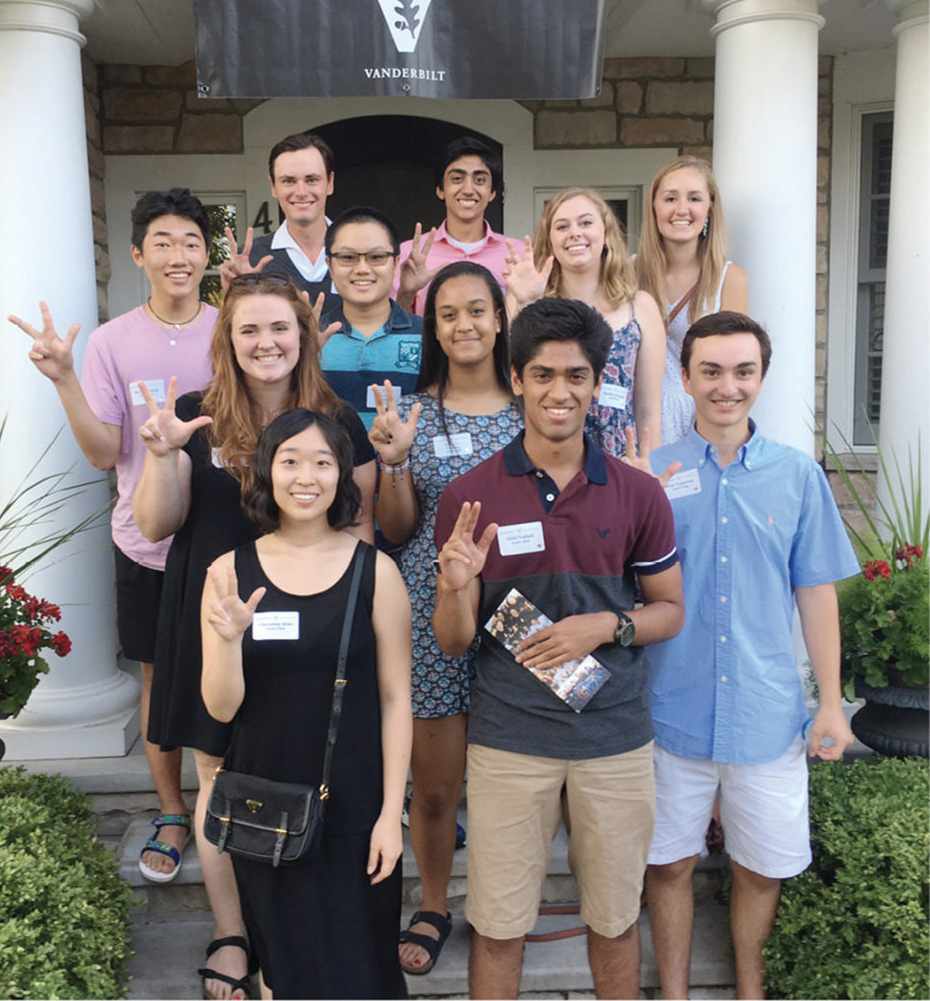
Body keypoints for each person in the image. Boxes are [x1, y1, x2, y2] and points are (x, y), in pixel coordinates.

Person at [132, 274, 376, 1000]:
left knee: (295, 772)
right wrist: (162, 455)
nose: (265, 342)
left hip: (307, 628)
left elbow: (359, 532)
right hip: (211, 618)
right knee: (216, 777)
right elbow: (155, 525)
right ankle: (232, 932)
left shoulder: (339, 419)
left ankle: (294, 929)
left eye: (279, 328)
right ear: (228, 340)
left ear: (303, 335)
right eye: (249, 330)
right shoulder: (190, 415)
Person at [432, 298, 684, 999]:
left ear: (597, 382)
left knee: (613, 920)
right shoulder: (469, 497)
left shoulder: (638, 493)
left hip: (615, 739)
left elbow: (670, 610)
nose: (559, 392)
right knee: (499, 925)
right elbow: (453, 641)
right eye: (542, 374)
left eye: (576, 376)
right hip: (511, 740)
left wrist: (606, 627)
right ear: (517, 379)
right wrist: (456, 588)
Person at [641, 312, 859, 1000]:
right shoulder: (653, 473)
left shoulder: (797, 477)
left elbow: (816, 594)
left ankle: (750, 991)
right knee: (669, 864)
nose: (726, 387)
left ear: (761, 378)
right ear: (686, 377)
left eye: (742, 372)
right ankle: (673, 993)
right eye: (710, 371)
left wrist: (830, 702)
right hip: (669, 712)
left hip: (766, 716)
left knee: (762, 868)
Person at [9, 188, 216, 886]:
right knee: (159, 675)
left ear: (206, 252)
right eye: (163, 242)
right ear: (138, 254)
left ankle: (230, 798)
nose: (178, 255)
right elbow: (103, 452)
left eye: (190, 240)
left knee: (238, 671)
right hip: (147, 540)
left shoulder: (232, 331)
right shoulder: (112, 341)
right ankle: (170, 809)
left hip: (225, 538)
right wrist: (65, 378)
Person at [201, 409, 412, 999]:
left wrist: (391, 813)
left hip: (355, 803)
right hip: (264, 801)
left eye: (322, 462)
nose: (305, 476)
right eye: (289, 460)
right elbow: (220, 709)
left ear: (341, 475)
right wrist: (227, 638)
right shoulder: (227, 574)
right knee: (284, 966)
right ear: (266, 472)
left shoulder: (378, 572)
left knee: (362, 962)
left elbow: (397, 699)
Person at [367, 261, 522, 975]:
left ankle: (503, 904)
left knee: (516, 778)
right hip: (431, 618)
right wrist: (396, 463)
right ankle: (432, 902)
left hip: (521, 618)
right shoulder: (413, 411)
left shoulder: (533, 408)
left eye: (478, 310)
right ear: (431, 326)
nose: (465, 325)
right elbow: (396, 529)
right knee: (432, 787)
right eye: (448, 313)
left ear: (500, 319)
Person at [503, 187, 665, 457]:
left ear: (606, 233)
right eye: (562, 226)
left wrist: (650, 474)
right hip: (546, 458)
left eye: (586, 223)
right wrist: (526, 303)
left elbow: (649, 411)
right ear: (550, 239)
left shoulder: (641, 307)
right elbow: (511, 386)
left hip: (619, 462)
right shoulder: (525, 299)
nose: (574, 233)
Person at [633, 156, 749, 444]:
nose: (681, 209)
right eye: (670, 198)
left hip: (699, 428)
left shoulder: (730, 279)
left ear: (709, 210)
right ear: (654, 208)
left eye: (694, 198)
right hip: (635, 423)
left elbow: (732, 366)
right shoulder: (626, 272)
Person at [394, 136, 526, 316]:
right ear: (440, 190)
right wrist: (407, 293)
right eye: (457, 179)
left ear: (493, 192)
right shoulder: (409, 255)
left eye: (479, 180)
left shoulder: (518, 255)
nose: (468, 189)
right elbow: (394, 329)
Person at [219, 131, 341, 320]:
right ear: (273, 186)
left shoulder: (358, 252)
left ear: (330, 183)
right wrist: (233, 296)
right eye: (289, 181)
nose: (301, 192)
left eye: (311, 180)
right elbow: (235, 335)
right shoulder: (251, 259)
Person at [319, 207, 422, 430]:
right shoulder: (311, 337)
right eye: (348, 258)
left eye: (376, 257)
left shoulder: (428, 336)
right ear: (329, 264)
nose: (363, 269)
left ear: (396, 262)